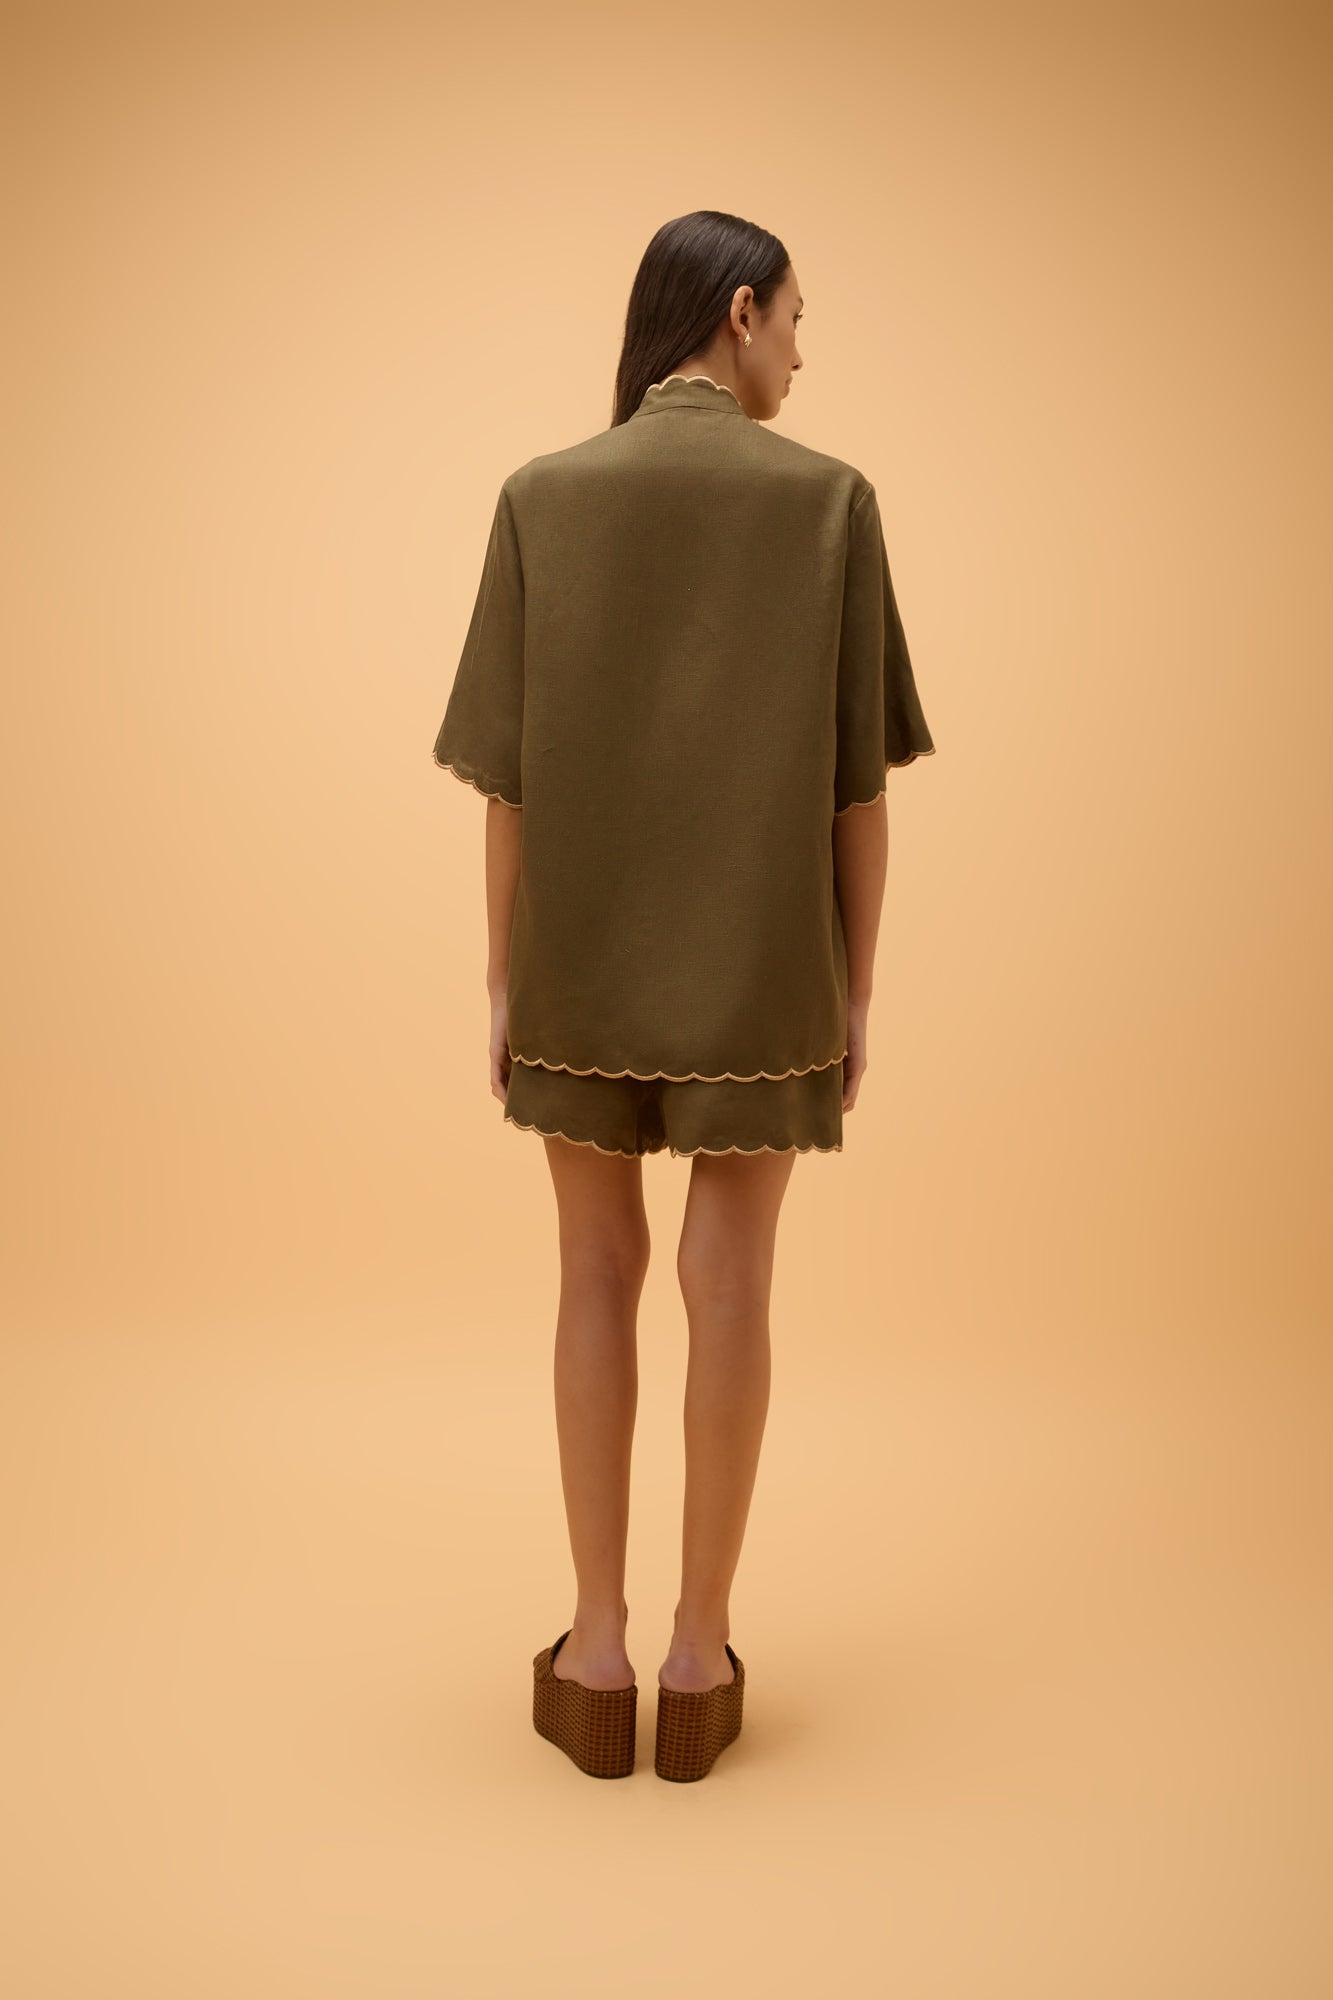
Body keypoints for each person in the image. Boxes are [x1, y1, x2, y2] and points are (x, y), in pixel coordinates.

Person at [432, 209, 936, 1779]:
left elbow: (506, 790)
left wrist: (503, 978)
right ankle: (698, 1654)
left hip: (577, 956)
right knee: (732, 1282)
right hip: (763, 962)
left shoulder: (542, 497)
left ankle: (593, 1652)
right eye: (794, 317)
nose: (800, 349)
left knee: (593, 1270)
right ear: (736, 311)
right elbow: (856, 794)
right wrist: (857, 991)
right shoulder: (828, 504)